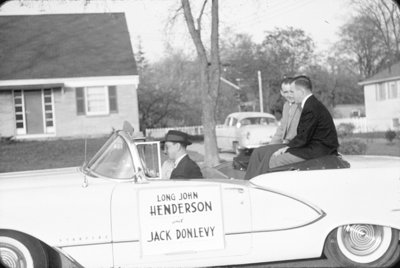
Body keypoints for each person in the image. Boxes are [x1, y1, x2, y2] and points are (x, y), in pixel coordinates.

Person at [269, 75, 339, 168]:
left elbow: (304, 137)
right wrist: (287, 148)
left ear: (301, 92)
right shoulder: (311, 104)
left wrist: (287, 148)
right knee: (279, 156)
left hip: (320, 150)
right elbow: (304, 135)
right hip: (318, 147)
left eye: (293, 92)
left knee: (276, 160)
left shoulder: (310, 107)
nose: (291, 95)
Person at [244, 77, 301, 180]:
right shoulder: (286, 106)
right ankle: (248, 180)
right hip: (284, 143)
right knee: (258, 152)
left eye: (291, 91)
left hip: (295, 144)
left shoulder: (301, 106)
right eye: (286, 92)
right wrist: (271, 145)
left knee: (269, 155)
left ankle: (259, 181)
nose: (289, 95)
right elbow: (281, 129)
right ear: (281, 93)